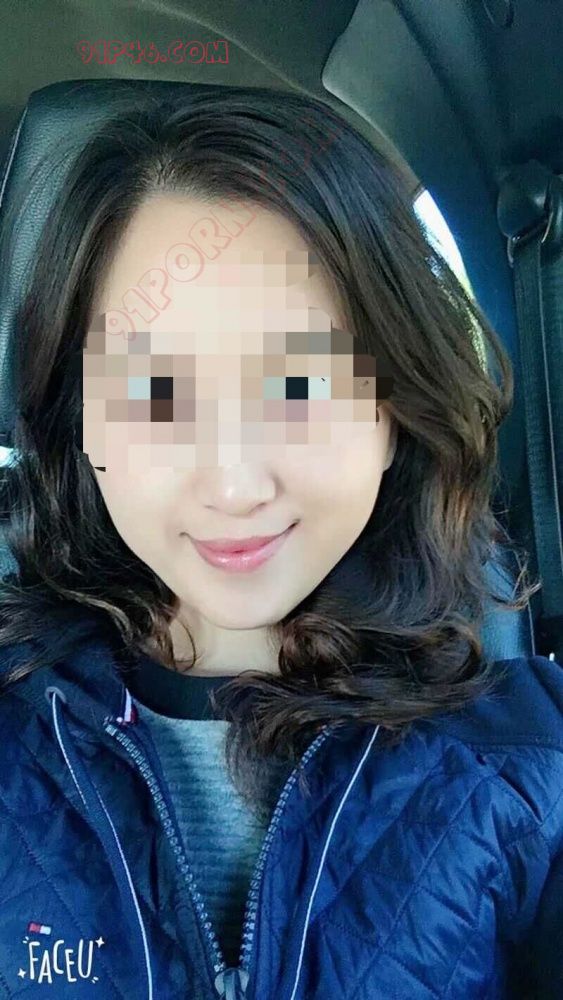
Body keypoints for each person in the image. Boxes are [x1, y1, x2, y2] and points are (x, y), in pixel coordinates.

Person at [0, 85, 561, 1000]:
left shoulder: (535, 764)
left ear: (394, 411)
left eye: (298, 386)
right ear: (81, 424)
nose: (232, 485)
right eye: (156, 395)